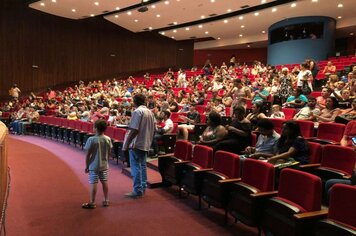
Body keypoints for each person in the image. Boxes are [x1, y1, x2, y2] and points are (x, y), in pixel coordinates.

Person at [122, 94, 156, 198]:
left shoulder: (137, 112)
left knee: (135, 166)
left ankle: (137, 190)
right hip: (146, 142)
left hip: (137, 143)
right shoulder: (150, 112)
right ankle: (143, 186)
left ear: (135, 101)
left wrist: (127, 143)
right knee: (143, 165)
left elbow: (134, 129)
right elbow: (154, 129)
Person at [82, 120, 112, 209]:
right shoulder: (108, 139)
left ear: (96, 128)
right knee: (104, 181)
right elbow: (109, 152)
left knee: (93, 182)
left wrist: (87, 166)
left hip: (93, 165)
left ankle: (92, 202)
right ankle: (106, 200)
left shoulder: (91, 139)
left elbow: (88, 154)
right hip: (104, 164)